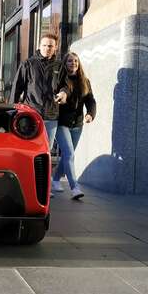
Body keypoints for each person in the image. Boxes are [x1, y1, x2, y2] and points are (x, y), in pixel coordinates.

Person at [10, 33, 69, 149]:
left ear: (55, 47)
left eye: (50, 46)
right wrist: (12, 110)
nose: (47, 48)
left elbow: (65, 85)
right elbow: (16, 88)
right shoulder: (28, 64)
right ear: (39, 46)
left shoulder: (59, 66)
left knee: (46, 149)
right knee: (28, 148)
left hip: (51, 116)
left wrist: (64, 92)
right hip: (31, 114)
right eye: (45, 45)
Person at [52, 52, 96, 200]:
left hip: (77, 124)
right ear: (65, 64)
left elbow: (90, 100)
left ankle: (56, 179)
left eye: (76, 61)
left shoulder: (85, 81)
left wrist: (90, 113)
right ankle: (74, 187)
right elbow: (58, 95)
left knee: (67, 155)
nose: (73, 63)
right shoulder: (60, 80)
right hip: (61, 123)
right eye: (70, 61)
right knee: (70, 154)